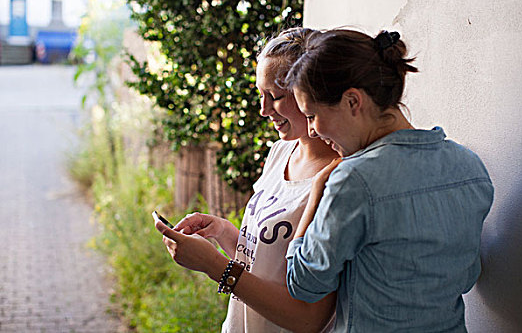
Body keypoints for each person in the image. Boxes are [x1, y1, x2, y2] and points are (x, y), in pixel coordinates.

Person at [284, 29, 494, 332]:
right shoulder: (470, 166)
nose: (312, 130)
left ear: (353, 101)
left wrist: (317, 194)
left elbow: (304, 284)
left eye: (312, 114)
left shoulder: (352, 180)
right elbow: (467, 275)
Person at [153, 28, 339, 332]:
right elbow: (270, 264)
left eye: (275, 97)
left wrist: (215, 266)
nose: (264, 110)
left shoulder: (337, 179)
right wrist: (224, 232)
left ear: (310, 91)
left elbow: (309, 318)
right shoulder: (282, 152)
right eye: (260, 95)